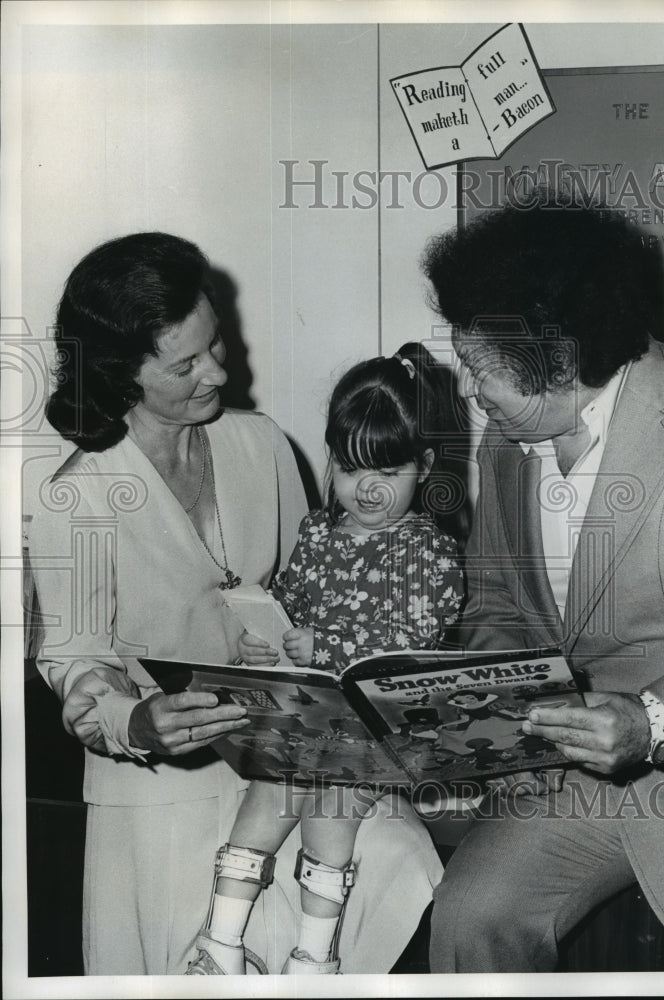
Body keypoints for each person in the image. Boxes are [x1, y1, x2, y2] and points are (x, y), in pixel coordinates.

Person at [27, 233, 445, 975]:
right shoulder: (77, 493)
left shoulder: (261, 444)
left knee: (400, 866)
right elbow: (74, 658)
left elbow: (322, 589)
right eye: (185, 364)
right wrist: (137, 722)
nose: (218, 371)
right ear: (124, 372)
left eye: (215, 343)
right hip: (158, 790)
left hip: (295, 759)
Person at [421, 197, 664, 972]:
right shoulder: (509, 441)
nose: (470, 390)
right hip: (574, 776)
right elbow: (497, 606)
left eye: (478, 367)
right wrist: (480, 700)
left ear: (561, 362)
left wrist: (652, 721)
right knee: (469, 913)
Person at [185, 343, 466, 975]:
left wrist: (330, 648)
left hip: (379, 728)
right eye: (347, 467)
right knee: (265, 793)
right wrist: (265, 634)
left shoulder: (429, 552)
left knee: (329, 810)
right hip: (311, 720)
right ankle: (221, 944)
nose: (365, 489)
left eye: (388, 473)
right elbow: (287, 602)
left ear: (423, 467)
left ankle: (314, 956)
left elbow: (412, 650)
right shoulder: (317, 533)